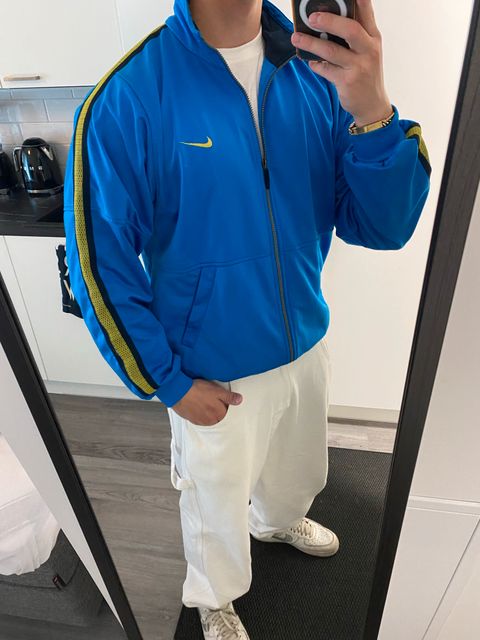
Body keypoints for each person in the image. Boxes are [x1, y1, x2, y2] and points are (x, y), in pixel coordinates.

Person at [63, 0, 431, 637]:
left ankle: (278, 521)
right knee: (215, 500)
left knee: (298, 471)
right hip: (212, 368)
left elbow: (382, 226)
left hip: (302, 339)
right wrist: (167, 382)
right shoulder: (130, 95)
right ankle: (214, 596)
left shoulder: (315, 71)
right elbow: (101, 266)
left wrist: (372, 111)